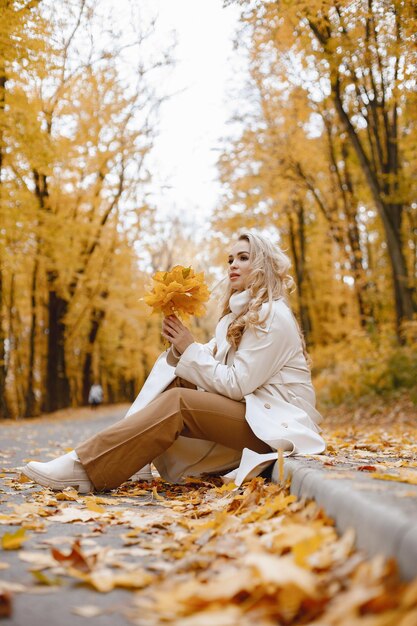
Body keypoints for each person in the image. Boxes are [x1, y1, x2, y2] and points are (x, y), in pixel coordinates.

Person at [22, 232, 326, 493]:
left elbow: (237, 384)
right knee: (175, 376)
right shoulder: (236, 318)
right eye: (230, 259)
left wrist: (188, 348)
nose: (233, 264)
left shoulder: (271, 315)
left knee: (180, 401)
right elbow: (204, 361)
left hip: (275, 427)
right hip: (256, 416)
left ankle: (84, 466)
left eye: (244, 257)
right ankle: (128, 458)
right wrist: (182, 347)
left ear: (263, 265)